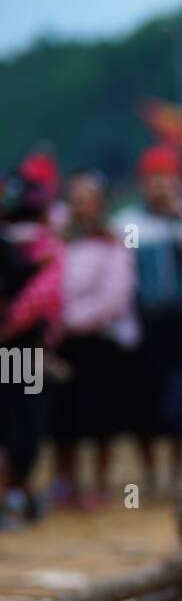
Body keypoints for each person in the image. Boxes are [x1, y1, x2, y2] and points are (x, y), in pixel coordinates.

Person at [110, 145, 182, 491]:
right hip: (143, 323)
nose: (160, 186)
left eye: (166, 178)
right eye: (153, 179)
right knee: (144, 398)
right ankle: (150, 474)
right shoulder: (126, 224)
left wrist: (176, 220)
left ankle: (180, 472)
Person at [52, 171, 139, 506]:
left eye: (85, 198)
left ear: (100, 204)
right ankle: (66, 484)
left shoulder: (114, 242)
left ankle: (99, 484)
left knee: (99, 415)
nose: (79, 205)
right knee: (64, 418)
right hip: (59, 341)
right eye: (74, 198)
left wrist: (72, 320)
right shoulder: (57, 238)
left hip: (97, 342)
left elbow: (114, 297)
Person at [0, 152, 65, 524]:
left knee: (13, 421)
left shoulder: (27, 246)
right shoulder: (45, 248)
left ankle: (15, 492)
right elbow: (43, 297)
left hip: (18, 347)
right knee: (22, 422)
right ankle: (13, 492)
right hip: (22, 350)